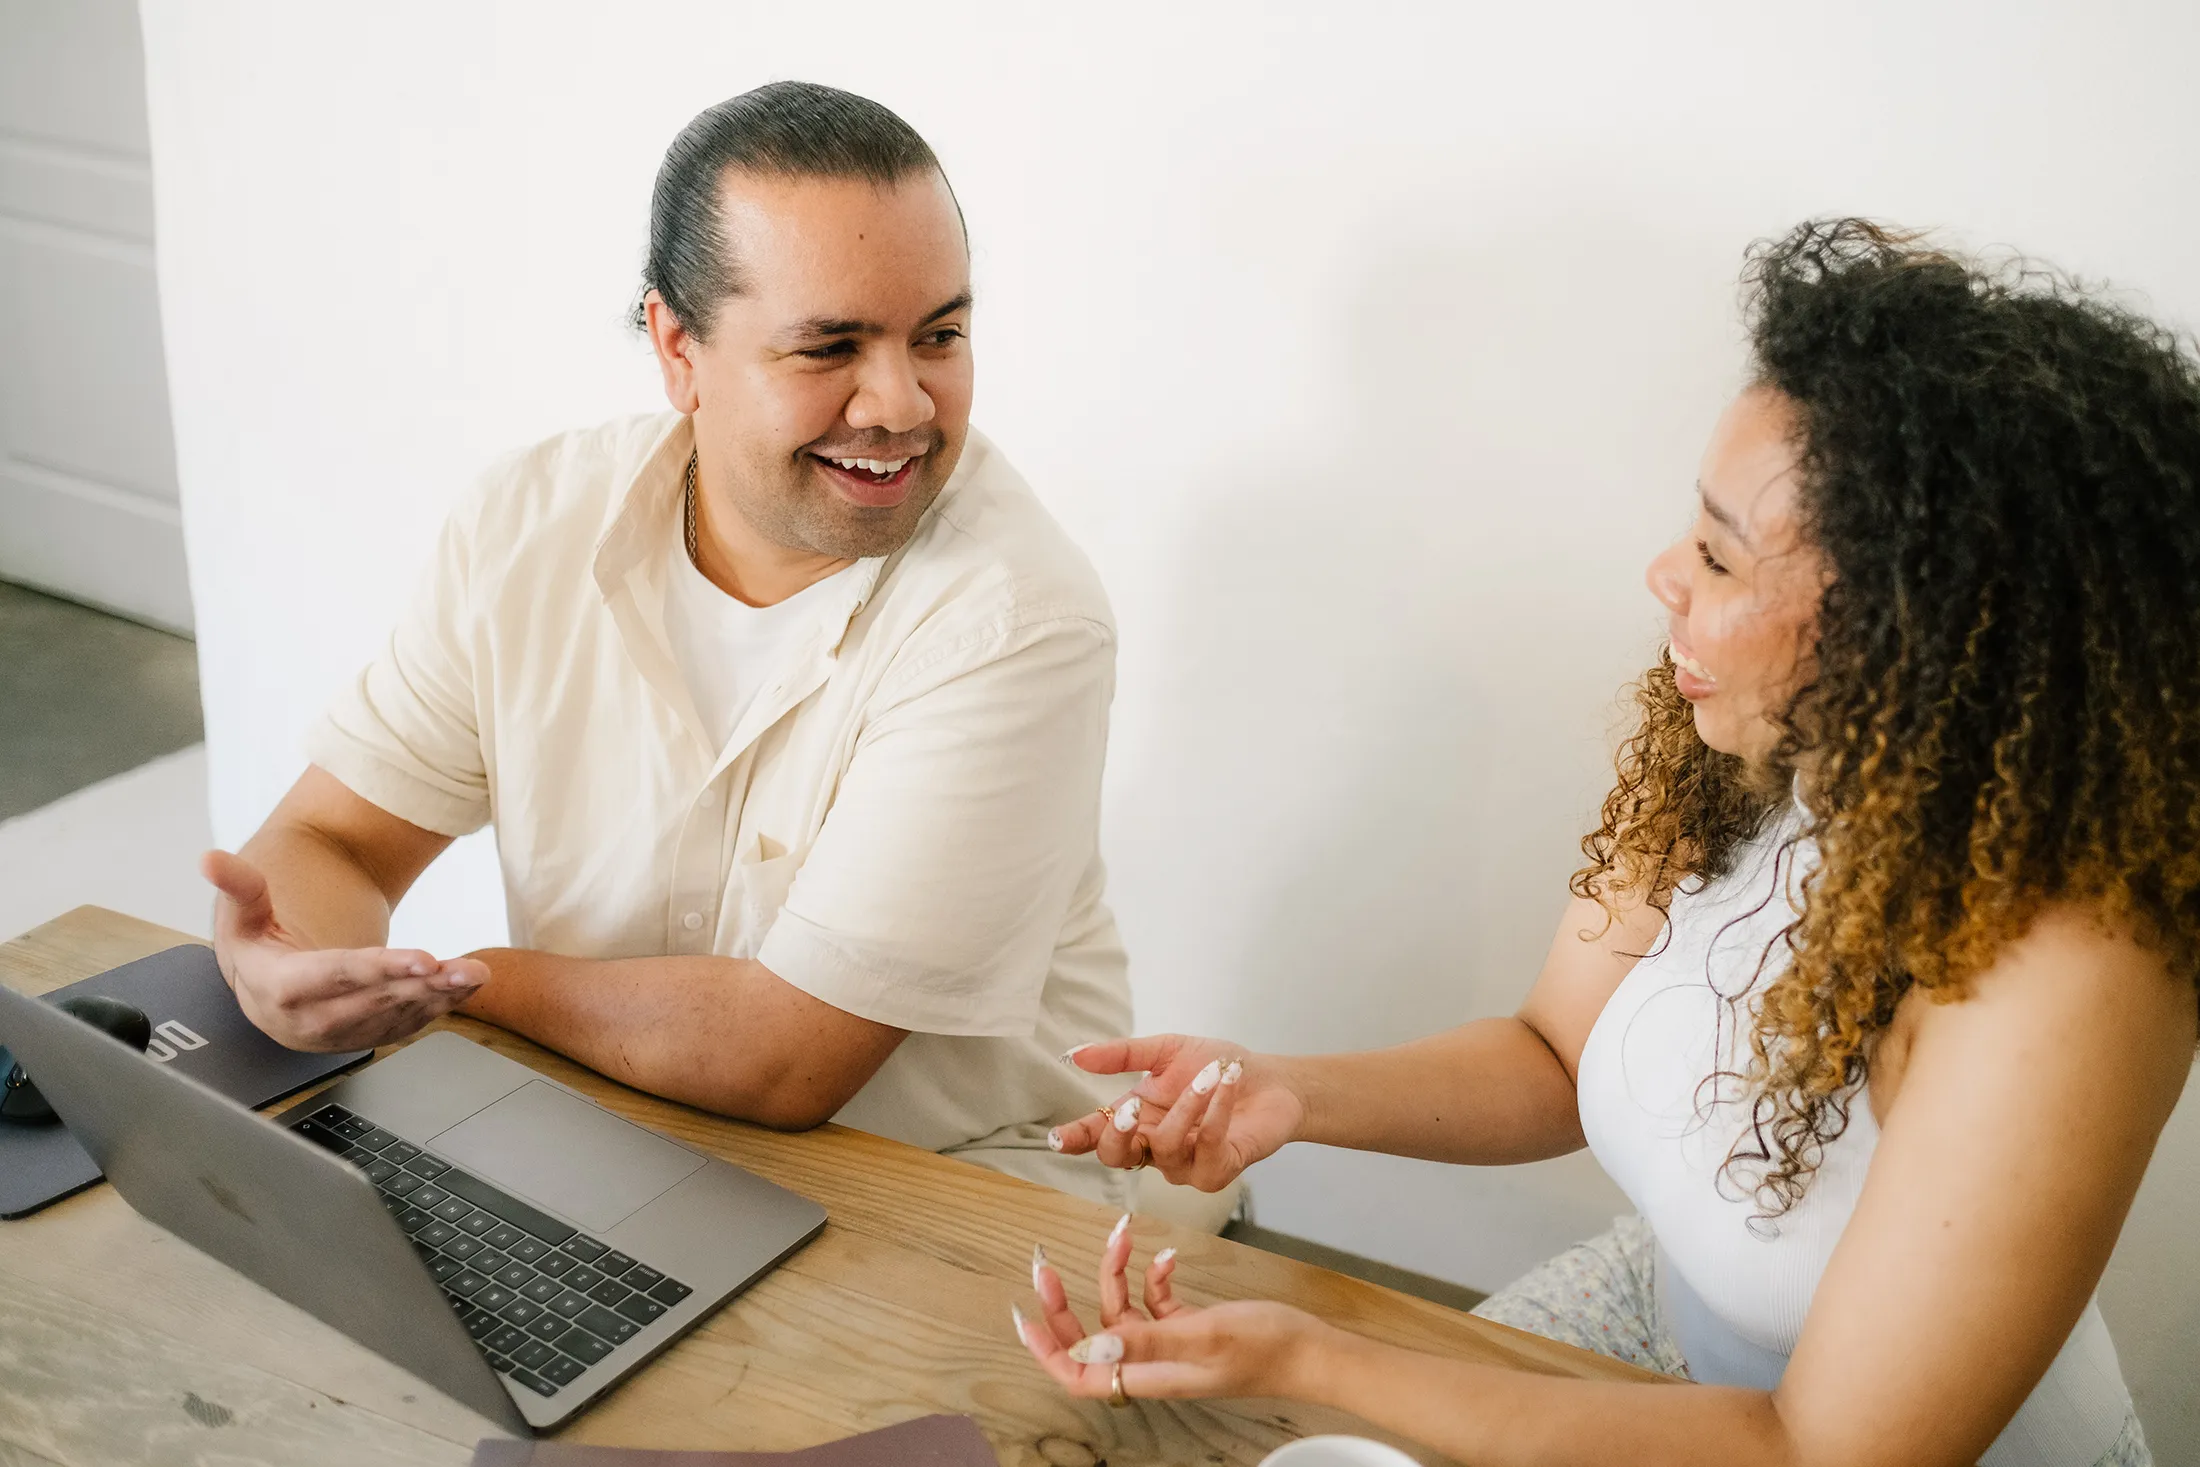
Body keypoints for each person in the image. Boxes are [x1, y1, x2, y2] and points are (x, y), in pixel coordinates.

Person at [1015, 220, 2199, 1466]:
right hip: (1659, 1327)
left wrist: (1312, 1358)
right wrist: (1287, 1092)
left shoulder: (2073, 969)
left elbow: (1815, 1450)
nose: (1661, 576)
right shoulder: (1736, 744)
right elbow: (1550, 1052)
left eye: (1717, 552)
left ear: (1923, 629)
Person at [200, 81, 1135, 1207]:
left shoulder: (1016, 621)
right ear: (677, 345)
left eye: (938, 334)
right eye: (829, 346)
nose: (900, 403)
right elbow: (331, 840)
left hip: (965, 1192)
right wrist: (297, 966)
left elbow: (787, 1055)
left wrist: (460, 985)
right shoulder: (527, 526)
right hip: (626, 1144)